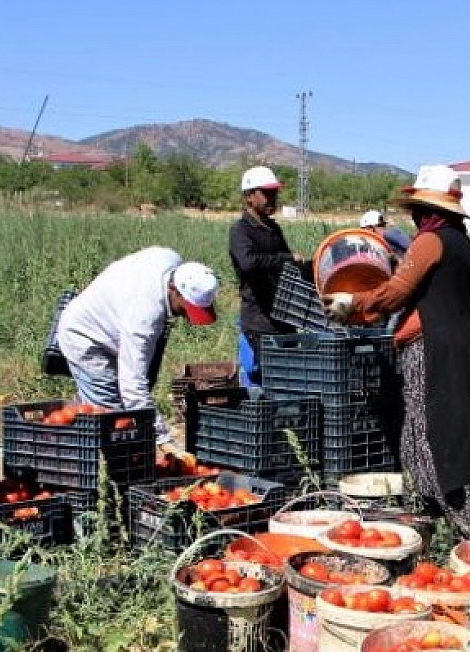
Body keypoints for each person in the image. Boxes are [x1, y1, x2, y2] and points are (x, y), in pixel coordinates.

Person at [324, 166, 470, 536]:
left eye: (418, 210)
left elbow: (396, 292)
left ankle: (466, 531)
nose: (415, 217)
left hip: (436, 353)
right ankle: (447, 528)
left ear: (428, 210)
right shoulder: (462, 243)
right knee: (452, 433)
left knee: (433, 436)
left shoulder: (430, 241)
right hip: (465, 352)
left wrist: (353, 303)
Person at [55, 245, 219, 463]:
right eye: (186, 309)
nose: (187, 317)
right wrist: (163, 439)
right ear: (174, 290)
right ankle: (84, 463)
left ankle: (67, 433)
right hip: (85, 338)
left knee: (108, 414)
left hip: (112, 327)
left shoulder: (170, 260)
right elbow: (132, 386)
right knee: (113, 420)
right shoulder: (144, 316)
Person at [228, 166, 306, 388]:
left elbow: (287, 265)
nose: (272, 198)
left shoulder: (273, 228)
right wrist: (286, 258)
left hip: (283, 318)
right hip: (259, 321)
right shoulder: (241, 230)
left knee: (289, 379)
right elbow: (248, 262)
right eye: (266, 193)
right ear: (249, 196)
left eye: (274, 193)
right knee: (265, 380)